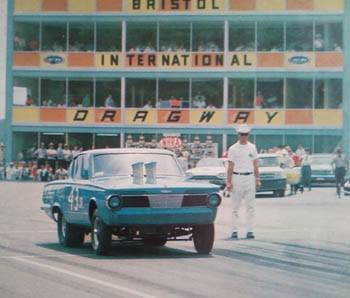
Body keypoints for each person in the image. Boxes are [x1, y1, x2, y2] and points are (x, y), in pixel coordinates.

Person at [226, 124, 260, 239]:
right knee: (235, 207)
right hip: (237, 178)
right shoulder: (233, 148)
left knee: (250, 206)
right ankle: (234, 230)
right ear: (238, 135)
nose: (243, 137)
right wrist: (229, 182)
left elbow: (255, 164)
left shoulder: (252, 147)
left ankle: (250, 231)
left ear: (248, 135)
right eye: (242, 134)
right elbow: (230, 166)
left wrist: (257, 179)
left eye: (245, 134)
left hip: (249, 178)